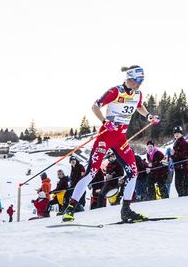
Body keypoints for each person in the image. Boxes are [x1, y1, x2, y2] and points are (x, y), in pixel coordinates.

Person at [62, 66, 160, 223]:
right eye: (138, 80)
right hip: (106, 136)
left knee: (133, 172)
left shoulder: (137, 94)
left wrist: (149, 116)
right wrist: (105, 121)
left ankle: (126, 210)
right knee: (92, 173)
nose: (140, 83)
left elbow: (139, 106)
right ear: (129, 78)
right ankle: (70, 209)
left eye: (142, 80)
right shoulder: (115, 91)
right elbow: (95, 106)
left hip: (121, 139)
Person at [171, 126, 188, 197]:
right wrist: (172, 156)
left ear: (181, 134)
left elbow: (184, 155)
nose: (176, 134)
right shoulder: (176, 142)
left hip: (182, 166)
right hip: (177, 166)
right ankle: (182, 196)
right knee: (178, 184)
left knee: (181, 184)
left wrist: (174, 154)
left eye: (178, 133)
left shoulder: (183, 142)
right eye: (175, 133)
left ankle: (183, 197)